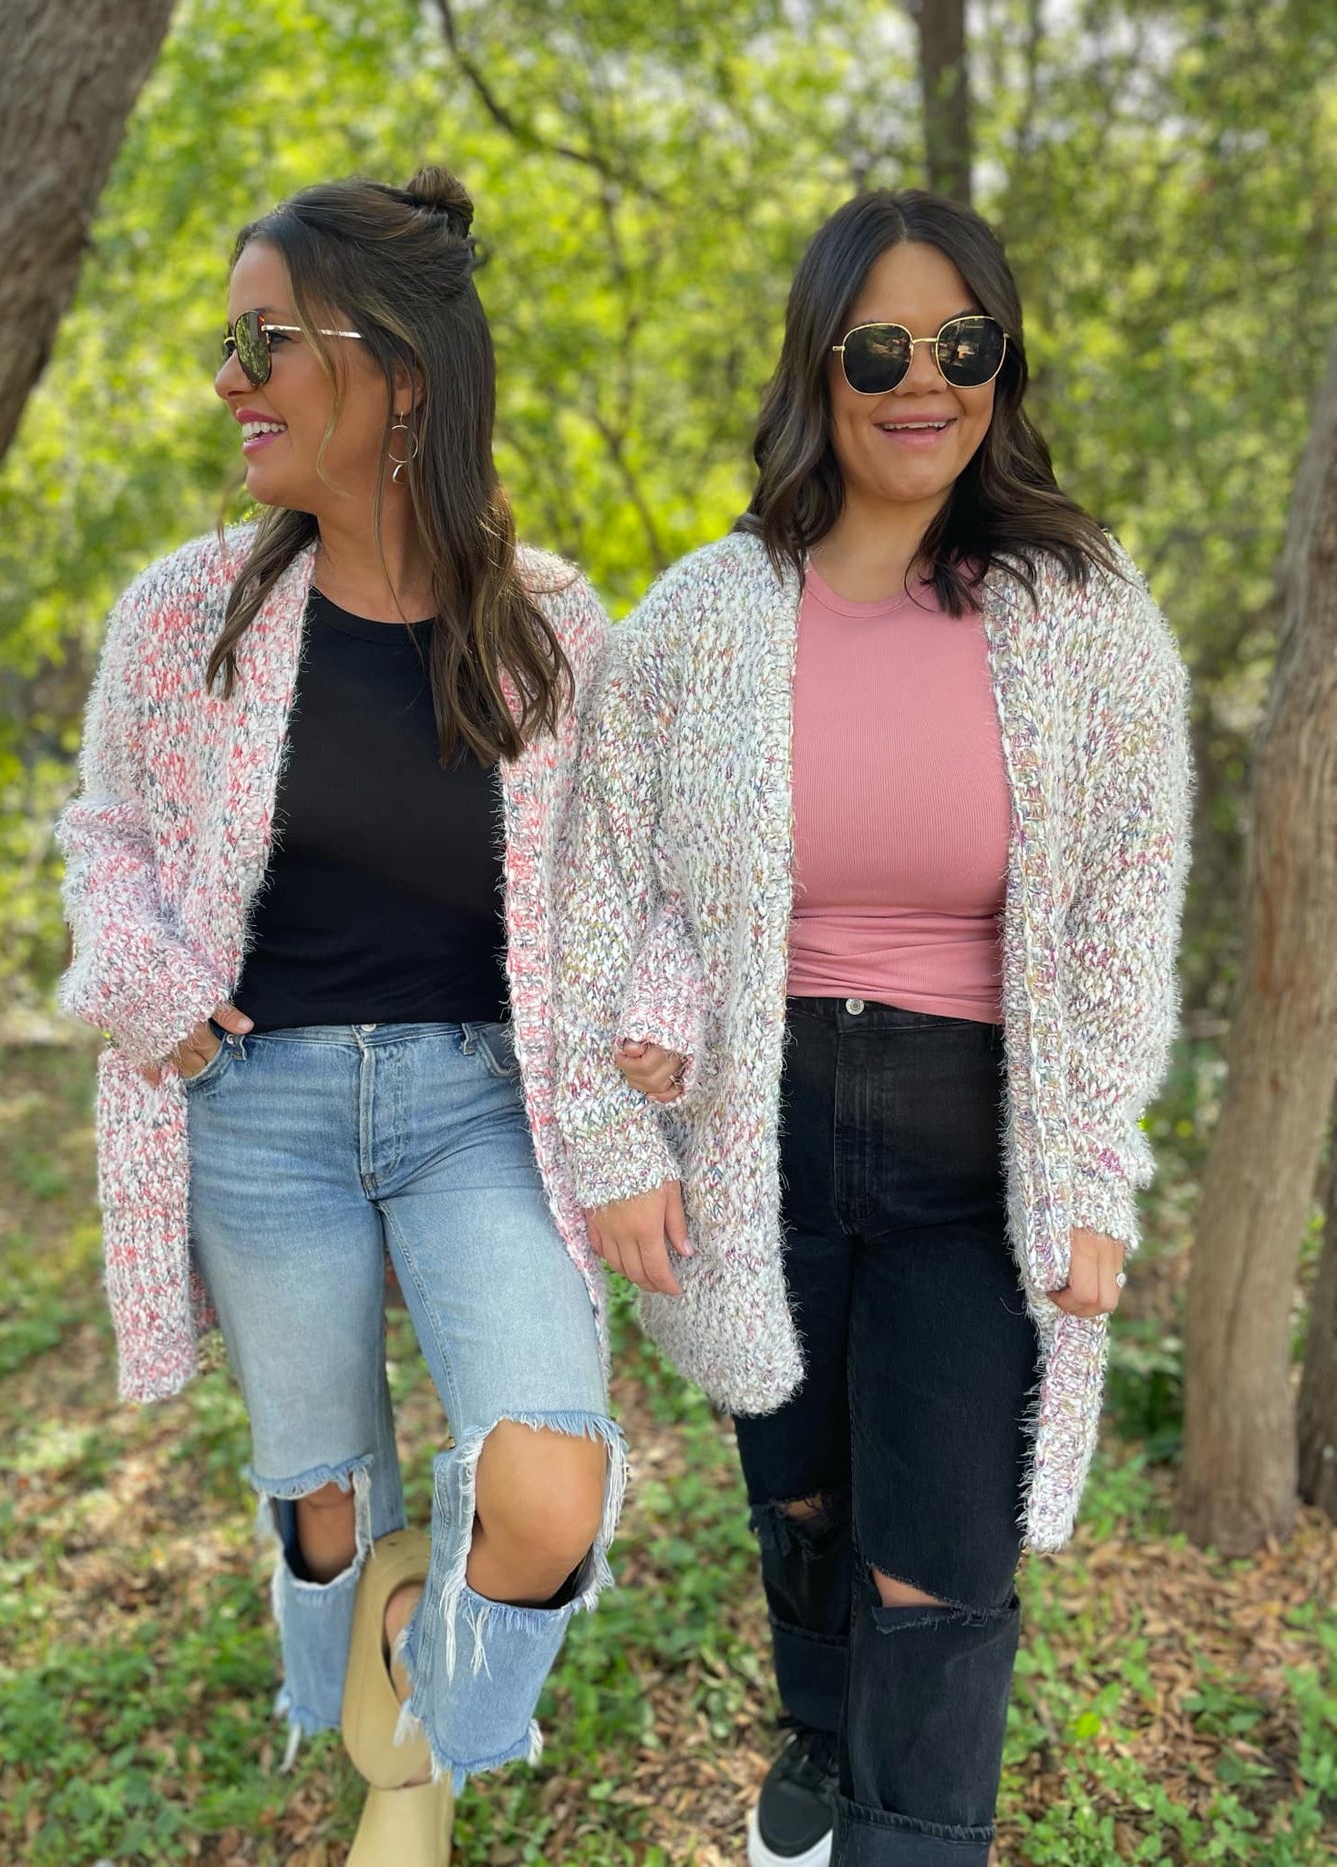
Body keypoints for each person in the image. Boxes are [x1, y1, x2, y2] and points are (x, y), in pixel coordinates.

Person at [553, 188, 1191, 1867]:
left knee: (942, 1563)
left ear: (1003, 364)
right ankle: (824, 1759)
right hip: (753, 1132)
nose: (928, 381)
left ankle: (912, 1840)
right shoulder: (701, 618)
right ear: (820, 366)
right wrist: (621, 1132)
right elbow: (601, 895)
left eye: (964, 343)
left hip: (979, 1139)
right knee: (808, 1503)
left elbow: (1122, 919)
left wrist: (1099, 1173)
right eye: (884, 346)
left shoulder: (1080, 613)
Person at [58, 168, 625, 1867]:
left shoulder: (552, 630)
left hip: (480, 1111)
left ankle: (423, 1726)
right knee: (324, 1501)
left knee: (544, 1481)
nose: (229, 380)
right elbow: (105, 839)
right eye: (226, 343)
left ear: (397, 377)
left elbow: (640, 886)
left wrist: (654, 1028)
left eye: (263, 341)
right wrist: (147, 982)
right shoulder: (184, 613)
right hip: (256, 1108)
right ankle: (385, 1751)